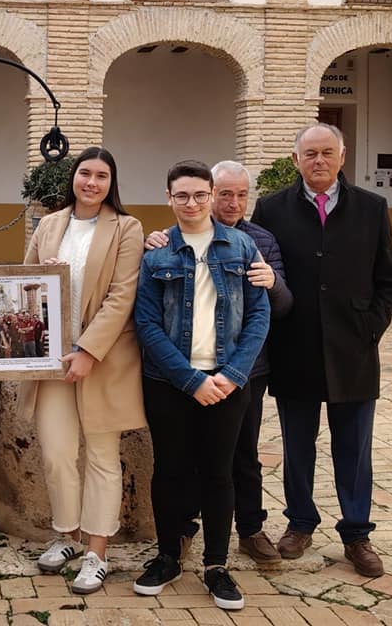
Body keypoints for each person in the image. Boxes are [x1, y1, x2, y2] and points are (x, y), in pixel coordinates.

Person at [251, 123, 392, 577]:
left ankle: (357, 532)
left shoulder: (372, 208)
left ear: (342, 155)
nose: (319, 160)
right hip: (295, 347)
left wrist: (369, 328)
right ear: (295, 160)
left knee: (354, 448)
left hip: (353, 351)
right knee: (297, 445)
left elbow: (389, 281)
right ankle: (299, 523)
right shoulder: (271, 210)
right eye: (310, 153)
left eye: (327, 152)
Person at [133, 160, 269, 611]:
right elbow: (147, 325)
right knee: (170, 471)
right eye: (181, 196)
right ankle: (167, 556)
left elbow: (258, 316)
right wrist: (191, 380)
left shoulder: (243, 246)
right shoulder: (155, 254)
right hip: (170, 383)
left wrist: (231, 375)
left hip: (228, 383)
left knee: (218, 473)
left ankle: (216, 565)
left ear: (211, 195)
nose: (191, 203)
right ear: (168, 199)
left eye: (199, 194)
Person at [19, 146, 146, 595]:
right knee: (56, 454)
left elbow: (122, 295)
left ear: (112, 183)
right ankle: (67, 535)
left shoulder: (127, 228)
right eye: (85, 173)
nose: (91, 182)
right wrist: (42, 279)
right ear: (73, 177)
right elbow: (24, 283)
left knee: (102, 457)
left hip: (104, 361)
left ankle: (97, 552)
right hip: (52, 360)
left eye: (101, 176)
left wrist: (89, 350)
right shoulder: (49, 224)